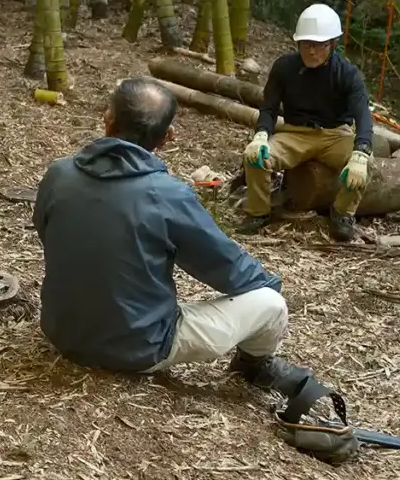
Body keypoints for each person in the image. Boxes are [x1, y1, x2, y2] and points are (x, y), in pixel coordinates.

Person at [32, 77, 308, 394]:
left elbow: (46, 231)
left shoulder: (59, 174)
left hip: (61, 332)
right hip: (139, 348)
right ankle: (253, 364)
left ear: (107, 120)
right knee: (271, 304)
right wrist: (272, 286)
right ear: (167, 137)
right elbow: (228, 269)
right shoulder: (168, 195)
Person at [239, 3, 374, 243]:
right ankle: (258, 211)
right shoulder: (284, 67)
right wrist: (260, 135)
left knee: (363, 166)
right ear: (298, 43)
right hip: (295, 133)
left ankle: (343, 212)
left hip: (336, 134)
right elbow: (268, 108)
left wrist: (361, 152)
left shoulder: (348, 74)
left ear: (332, 45)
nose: (312, 52)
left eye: (319, 45)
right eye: (306, 45)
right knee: (257, 157)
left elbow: (363, 116)